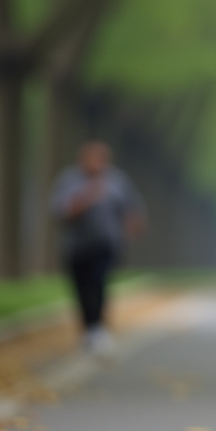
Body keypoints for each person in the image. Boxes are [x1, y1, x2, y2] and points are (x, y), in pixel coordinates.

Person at [50, 141, 146, 355]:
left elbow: (131, 206)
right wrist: (86, 199)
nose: (96, 164)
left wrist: (133, 223)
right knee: (81, 288)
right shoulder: (69, 180)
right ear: (82, 159)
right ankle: (88, 328)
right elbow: (60, 212)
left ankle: (99, 328)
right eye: (91, 158)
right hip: (75, 246)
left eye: (100, 159)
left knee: (99, 283)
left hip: (106, 244)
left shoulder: (117, 180)